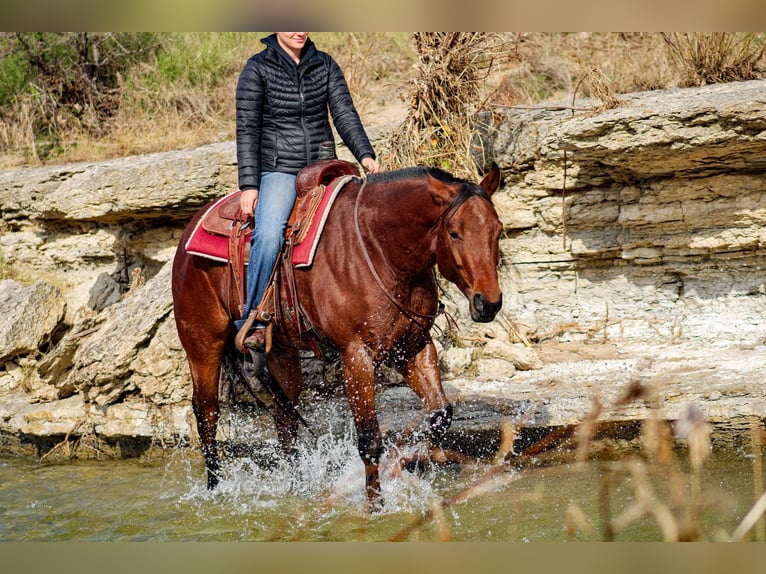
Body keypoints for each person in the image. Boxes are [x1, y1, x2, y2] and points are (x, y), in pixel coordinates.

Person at [236, 32, 380, 351]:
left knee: (359, 223)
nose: (299, 30)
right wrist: (249, 185)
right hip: (279, 169)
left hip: (324, 165)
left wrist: (365, 155)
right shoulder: (257, 68)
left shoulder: (324, 64)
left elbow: (344, 113)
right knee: (270, 234)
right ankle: (255, 319)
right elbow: (246, 129)